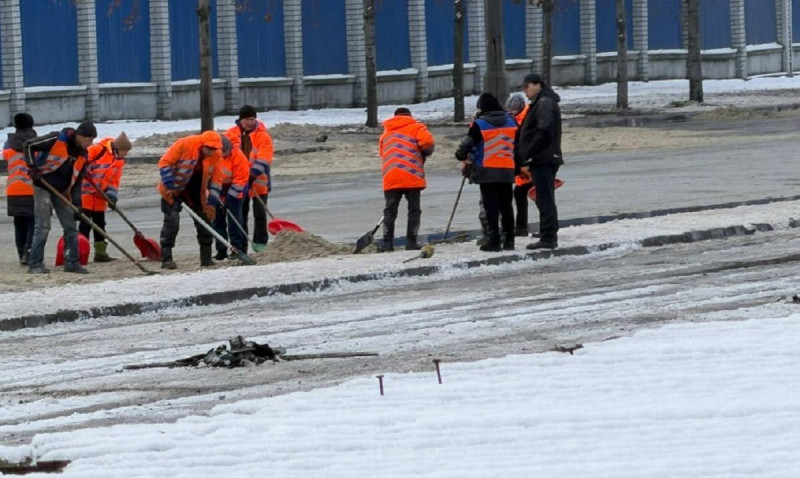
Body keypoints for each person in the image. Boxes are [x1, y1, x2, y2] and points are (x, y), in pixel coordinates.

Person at [25, 121, 97, 274]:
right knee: (43, 226)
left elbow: (77, 181)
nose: (90, 144)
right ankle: (35, 263)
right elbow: (29, 145)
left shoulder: (82, 155)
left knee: (70, 226)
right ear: (80, 135)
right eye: (89, 140)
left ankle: (72, 262)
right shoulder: (56, 139)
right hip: (43, 186)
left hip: (62, 191)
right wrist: (32, 168)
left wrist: (77, 204)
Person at [455, 93, 517, 252]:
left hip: (487, 170)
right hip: (507, 169)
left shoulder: (480, 124)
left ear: (482, 107)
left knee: (491, 208)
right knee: (507, 206)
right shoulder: (511, 121)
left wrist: (461, 156)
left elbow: (466, 144)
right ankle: (509, 240)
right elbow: (519, 144)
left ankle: (494, 241)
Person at [157, 130, 222, 269]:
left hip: (196, 193)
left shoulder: (216, 155)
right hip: (173, 191)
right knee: (172, 223)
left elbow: (216, 180)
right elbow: (165, 163)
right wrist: (170, 185)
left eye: (214, 149)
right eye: (209, 148)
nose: (211, 152)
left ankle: (206, 258)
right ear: (202, 144)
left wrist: (211, 202)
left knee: (204, 223)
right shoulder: (184, 144)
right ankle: (166, 258)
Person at [515, 73, 563, 250]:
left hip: (543, 158)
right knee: (544, 196)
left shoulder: (544, 103)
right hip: (543, 157)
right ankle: (547, 233)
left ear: (538, 85)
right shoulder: (540, 103)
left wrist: (529, 152)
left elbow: (544, 130)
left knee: (544, 197)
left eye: (527, 86)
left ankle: (548, 237)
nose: (525, 91)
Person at [378, 107, 435, 252]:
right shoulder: (417, 127)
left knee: (390, 210)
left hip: (391, 177)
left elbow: (382, 153)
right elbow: (427, 143)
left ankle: (387, 244)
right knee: (414, 210)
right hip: (412, 175)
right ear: (410, 116)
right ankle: (411, 242)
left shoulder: (385, 133)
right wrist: (425, 153)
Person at [225, 105, 274, 251]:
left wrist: (252, 174)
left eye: (252, 119)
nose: (249, 122)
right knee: (241, 214)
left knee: (260, 214)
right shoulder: (230, 134)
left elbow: (264, 158)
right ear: (240, 120)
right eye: (246, 119)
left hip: (259, 181)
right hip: (239, 182)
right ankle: (241, 246)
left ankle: (260, 245)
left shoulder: (263, 136)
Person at [79, 132, 132, 262]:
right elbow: (80, 161)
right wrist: (83, 170)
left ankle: (100, 254)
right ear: (119, 148)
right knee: (85, 224)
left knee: (100, 224)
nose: (126, 154)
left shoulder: (118, 161)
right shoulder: (97, 150)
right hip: (85, 193)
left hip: (99, 196)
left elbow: (114, 180)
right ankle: (80, 253)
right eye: (125, 152)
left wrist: (112, 196)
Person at [3, 113, 37, 265]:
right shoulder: (36, 143)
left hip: (13, 191)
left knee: (19, 224)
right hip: (31, 190)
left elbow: (5, 158)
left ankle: (20, 254)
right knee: (32, 223)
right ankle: (28, 253)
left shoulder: (8, 144)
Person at [208, 136, 250, 260]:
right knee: (217, 222)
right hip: (218, 189)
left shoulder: (239, 157)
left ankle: (238, 249)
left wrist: (230, 199)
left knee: (234, 221)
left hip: (235, 192)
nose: (224, 154)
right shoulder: (213, 156)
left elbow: (240, 181)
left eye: (226, 151)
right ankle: (221, 250)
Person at [505, 94, 534, 237]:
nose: (512, 111)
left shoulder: (525, 118)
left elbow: (522, 143)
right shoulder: (521, 118)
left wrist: (524, 164)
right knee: (521, 192)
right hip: (525, 162)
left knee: (522, 192)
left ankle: (522, 227)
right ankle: (522, 227)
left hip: (528, 163)